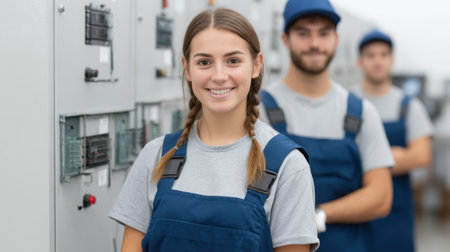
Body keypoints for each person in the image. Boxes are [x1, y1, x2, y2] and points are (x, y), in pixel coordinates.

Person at [110, 8, 319, 252]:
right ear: (187, 68)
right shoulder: (156, 157)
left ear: (256, 65)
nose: (219, 76)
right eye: (204, 62)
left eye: (233, 61)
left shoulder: (287, 165)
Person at [259, 1, 394, 251]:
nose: (314, 44)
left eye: (324, 33)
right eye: (303, 33)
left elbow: (381, 197)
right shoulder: (260, 111)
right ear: (285, 39)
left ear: (336, 40)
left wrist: (316, 216)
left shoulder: (361, 112)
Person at [353, 29, 433, 252]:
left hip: (396, 214)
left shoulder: (409, 106)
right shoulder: (347, 103)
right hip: (355, 210)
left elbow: (421, 156)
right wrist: (395, 156)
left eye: (383, 55)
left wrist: (362, 159)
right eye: (371, 55)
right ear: (360, 62)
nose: (377, 61)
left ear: (391, 60)